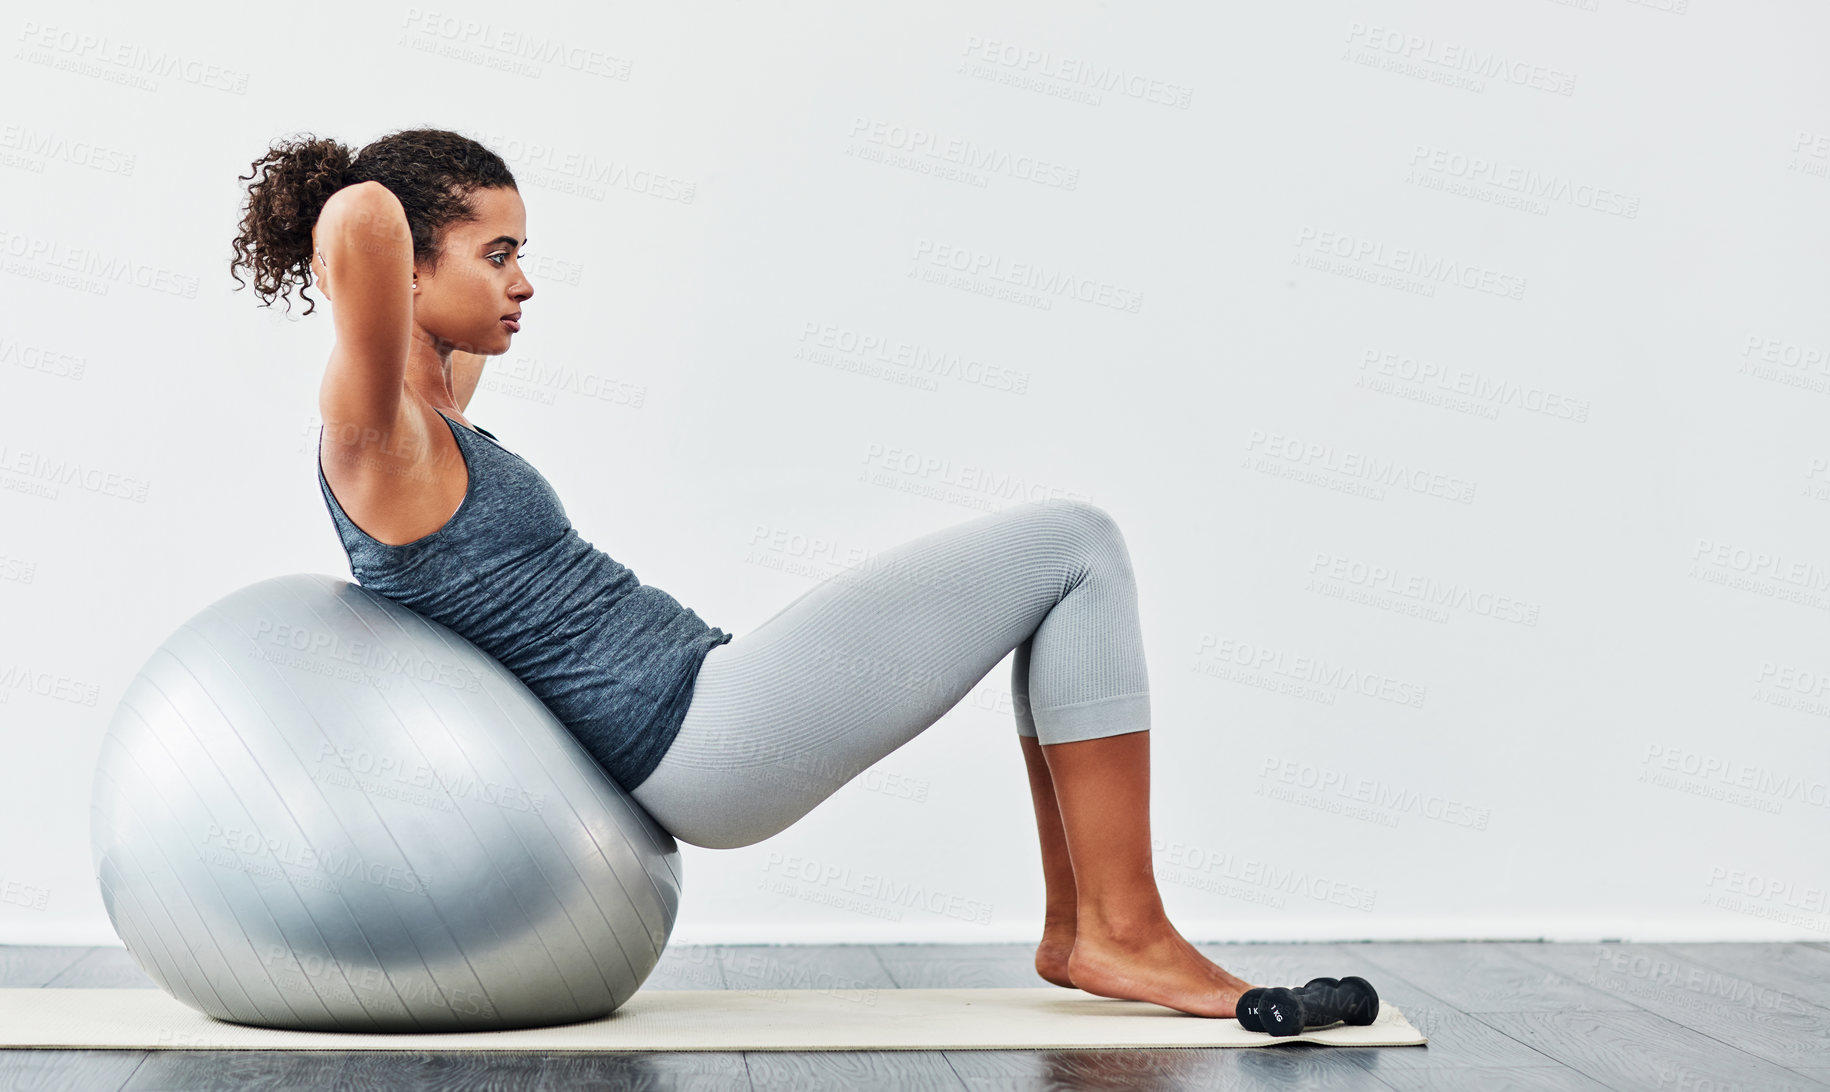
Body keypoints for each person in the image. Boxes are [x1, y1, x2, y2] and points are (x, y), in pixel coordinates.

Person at [230, 127, 1261, 1019]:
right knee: (1072, 544)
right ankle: (1128, 929)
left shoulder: (439, 400)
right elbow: (363, 214)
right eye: (497, 253)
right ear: (406, 267)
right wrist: (355, 198)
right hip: (706, 737)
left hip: (710, 704)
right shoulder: (377, 440)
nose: (525, 282)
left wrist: (422, 246)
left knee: (1059, 567)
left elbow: (386, 253)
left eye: (523, 254)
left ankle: (1081, 928)